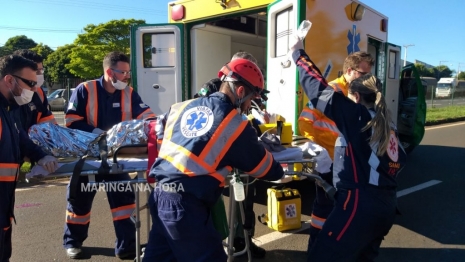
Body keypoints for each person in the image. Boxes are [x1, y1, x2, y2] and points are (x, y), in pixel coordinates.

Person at [142, 58, 284, 261]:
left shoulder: (182, 106)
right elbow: (266, 169)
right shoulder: (236, 124)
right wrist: (276, 162)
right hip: (186, 207)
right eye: (251, 100)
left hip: (160, 196)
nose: (247, 107)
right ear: (241, 92)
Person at [290, 37, 406, 261]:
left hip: (359, 207)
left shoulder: (358, 116)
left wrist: (298, 53)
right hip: (386, 206)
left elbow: (317, 90)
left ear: (357, 96)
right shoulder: (387, 123)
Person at [63, 51, 155, 259]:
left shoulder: (129, 93)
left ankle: (127, 247)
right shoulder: (85, 89)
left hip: (115, 158)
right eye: (122, 72)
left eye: (128, 72)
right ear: (108, 72)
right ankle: (73, 243)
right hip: (88, 158)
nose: (126, 77)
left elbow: (147, 117)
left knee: (124, 202)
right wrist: (101, 135)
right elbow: (72, 121)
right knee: (79, 201)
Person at [193, 51, 268, 258]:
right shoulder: (213, 86)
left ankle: (244, 240)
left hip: (238, 144)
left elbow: (250, 112)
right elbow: (202, 114)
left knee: (246, 199)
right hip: (213, 157)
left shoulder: (248, 92)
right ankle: (218, 240)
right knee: (211, 202)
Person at [298, 51, 375, 251]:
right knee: (323, 208)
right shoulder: (332, 90)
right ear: (349, 70)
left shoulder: (360, 95)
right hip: (328, 161)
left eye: (370, 75)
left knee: (342, 210)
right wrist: (323, 148)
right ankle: (315, 248)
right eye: (363, 74)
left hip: (347, 164)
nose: (367, 79)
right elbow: (304, 122)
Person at [0, 55, 59, 261]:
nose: (34, 89)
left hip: (4, 202)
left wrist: (41, 156)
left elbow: (20, 137)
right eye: (30, 83)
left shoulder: (10, 108)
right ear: (9, 80)